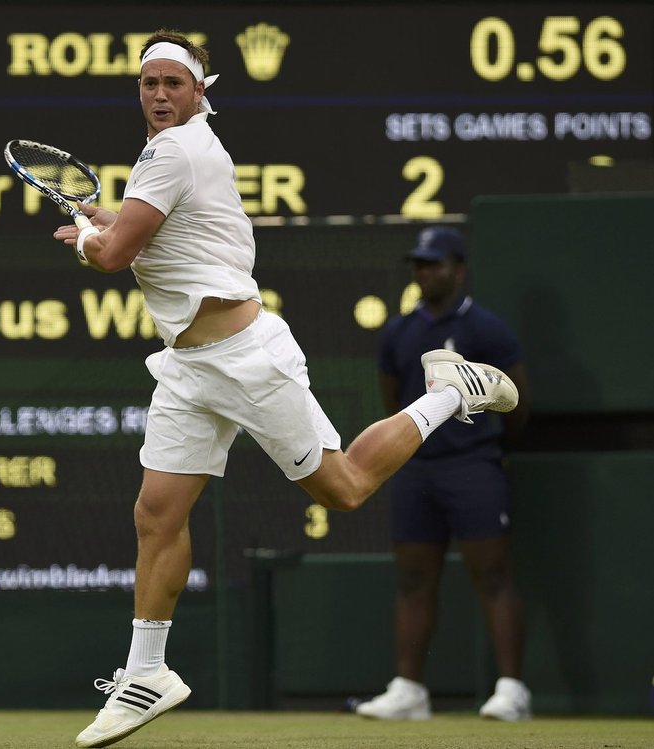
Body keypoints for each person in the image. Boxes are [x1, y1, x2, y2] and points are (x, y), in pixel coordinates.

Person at [53, 31, 519, 748]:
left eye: (174, 83)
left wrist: (87, 239)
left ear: (199, 90)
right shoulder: (171, 153)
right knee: (156, 513)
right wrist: (109, 223)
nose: (159, 95)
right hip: (187, 365)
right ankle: (145, 673)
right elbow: (157, 235)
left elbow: (116, 256)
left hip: (244, 357)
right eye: (149, 83)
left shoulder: (175, 149)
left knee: (346, 486)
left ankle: (449, 391)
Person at [355, 226, 532, 722]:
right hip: (417, 471)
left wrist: (480, 446)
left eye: (434, 264)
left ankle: (512, 690)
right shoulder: (399, 331)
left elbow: (518, 405)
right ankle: (409, 689)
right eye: (418, 264)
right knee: (413, 579)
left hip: (474, 466)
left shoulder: (488, 329)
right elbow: (393, 402)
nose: (424, 272)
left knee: (494, 576)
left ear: (459, 269)